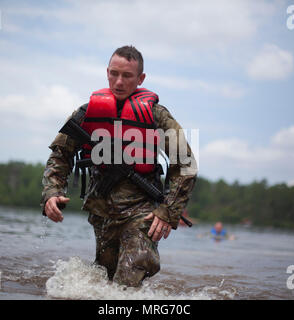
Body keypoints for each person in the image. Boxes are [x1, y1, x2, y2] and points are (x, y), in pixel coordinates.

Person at [40, 45, 197, 287]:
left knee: (130, 274)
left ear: (141, 78)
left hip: (142, 212)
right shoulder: (86, 112)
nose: (119, 81)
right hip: (102, 211)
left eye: (127, 76)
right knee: (105, 279)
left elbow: (185, 163)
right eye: (114, 73)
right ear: (107, 72)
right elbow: (60, 154)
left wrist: (168, 211)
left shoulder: (158, 116)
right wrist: (52, 192)